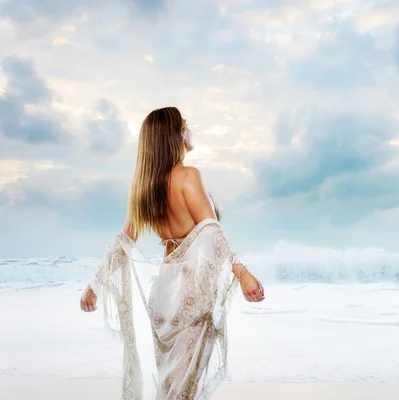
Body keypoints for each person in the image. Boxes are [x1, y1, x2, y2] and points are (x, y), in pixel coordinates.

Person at [79, 106, 264, 399]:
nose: (190, 132)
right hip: (191, 295)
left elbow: (122, 243)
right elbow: (213, 235)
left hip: (163, 298)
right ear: (174, 136)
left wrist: (94, 285)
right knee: (182, 392)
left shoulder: (143, 188)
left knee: (171, 389)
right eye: (185, 127)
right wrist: (243, 273)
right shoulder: (188, 176)